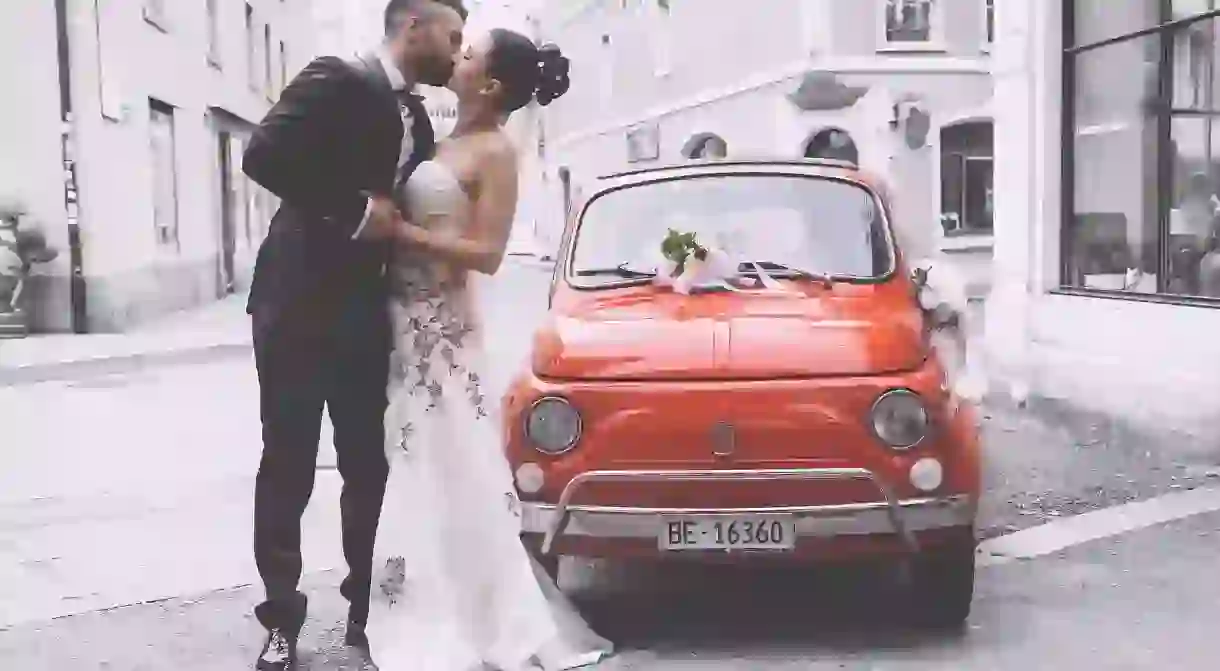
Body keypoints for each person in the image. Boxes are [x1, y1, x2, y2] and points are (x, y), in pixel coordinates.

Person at [354, 29, 614, 670]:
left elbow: (488, 255)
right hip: (401, 316)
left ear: (490, 84)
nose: (457, 56)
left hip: (443, 328)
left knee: (453, 462)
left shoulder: (495, 152)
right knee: (412, 459)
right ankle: (414, 595)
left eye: (469, 55)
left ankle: (469, 615)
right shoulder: (440, 137)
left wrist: (401, 232)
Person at [239, 1, 466, 669]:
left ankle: (365, 612)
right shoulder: (335, 76)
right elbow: (263, 153)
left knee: (369, 466)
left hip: (367, 315)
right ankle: (280, 621)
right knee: (288, 464)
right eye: (451, 37)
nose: (456, 52)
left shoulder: (419, 119)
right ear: (412, 26)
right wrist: (352, 209)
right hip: (295, 305)